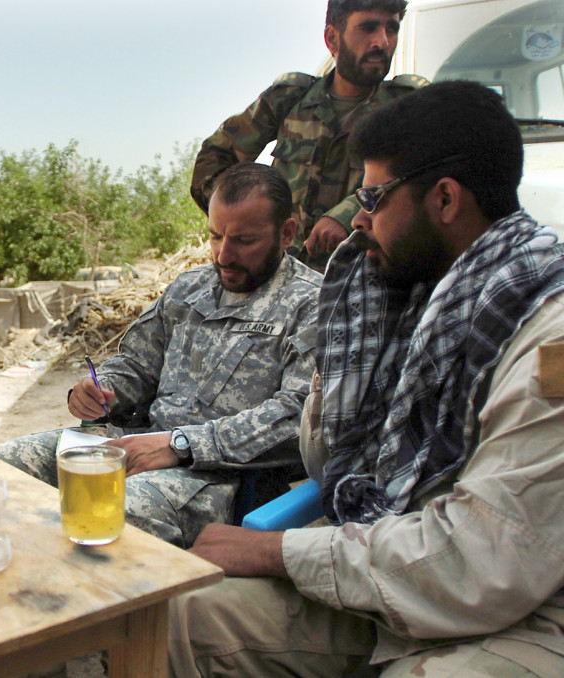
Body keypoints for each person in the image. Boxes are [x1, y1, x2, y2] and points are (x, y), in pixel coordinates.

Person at [169, 81, 564, 677]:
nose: (357, 219)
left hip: (519, 609)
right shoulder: (405, 301)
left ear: (446, 200)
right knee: (180, 614)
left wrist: (280, 551)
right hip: (385, 562)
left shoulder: (545, 332)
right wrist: (350, 337)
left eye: (374, 198)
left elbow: (487, 560)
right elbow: (331, 461)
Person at [0, 163, 322, 548]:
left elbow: (299, 416)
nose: (223, 256)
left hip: (217, 474)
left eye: (244, 241)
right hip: (137, 444)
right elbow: (135, 363)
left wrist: (180, 445)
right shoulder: (188, 289)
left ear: (287, 234)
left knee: (104, 515)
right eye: (215, 236)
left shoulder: (312, 304)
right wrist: (104, 389)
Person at [190, 0, 427, 270]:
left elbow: (423, 179)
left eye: (392, 29)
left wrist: (349, 213)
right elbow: (214, 159)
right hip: (279, 277)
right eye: (368, 28)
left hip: (362, 278)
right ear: (332, 38)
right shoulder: (291, 99)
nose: (382, 42)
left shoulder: (408, 109)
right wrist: (245, 224)